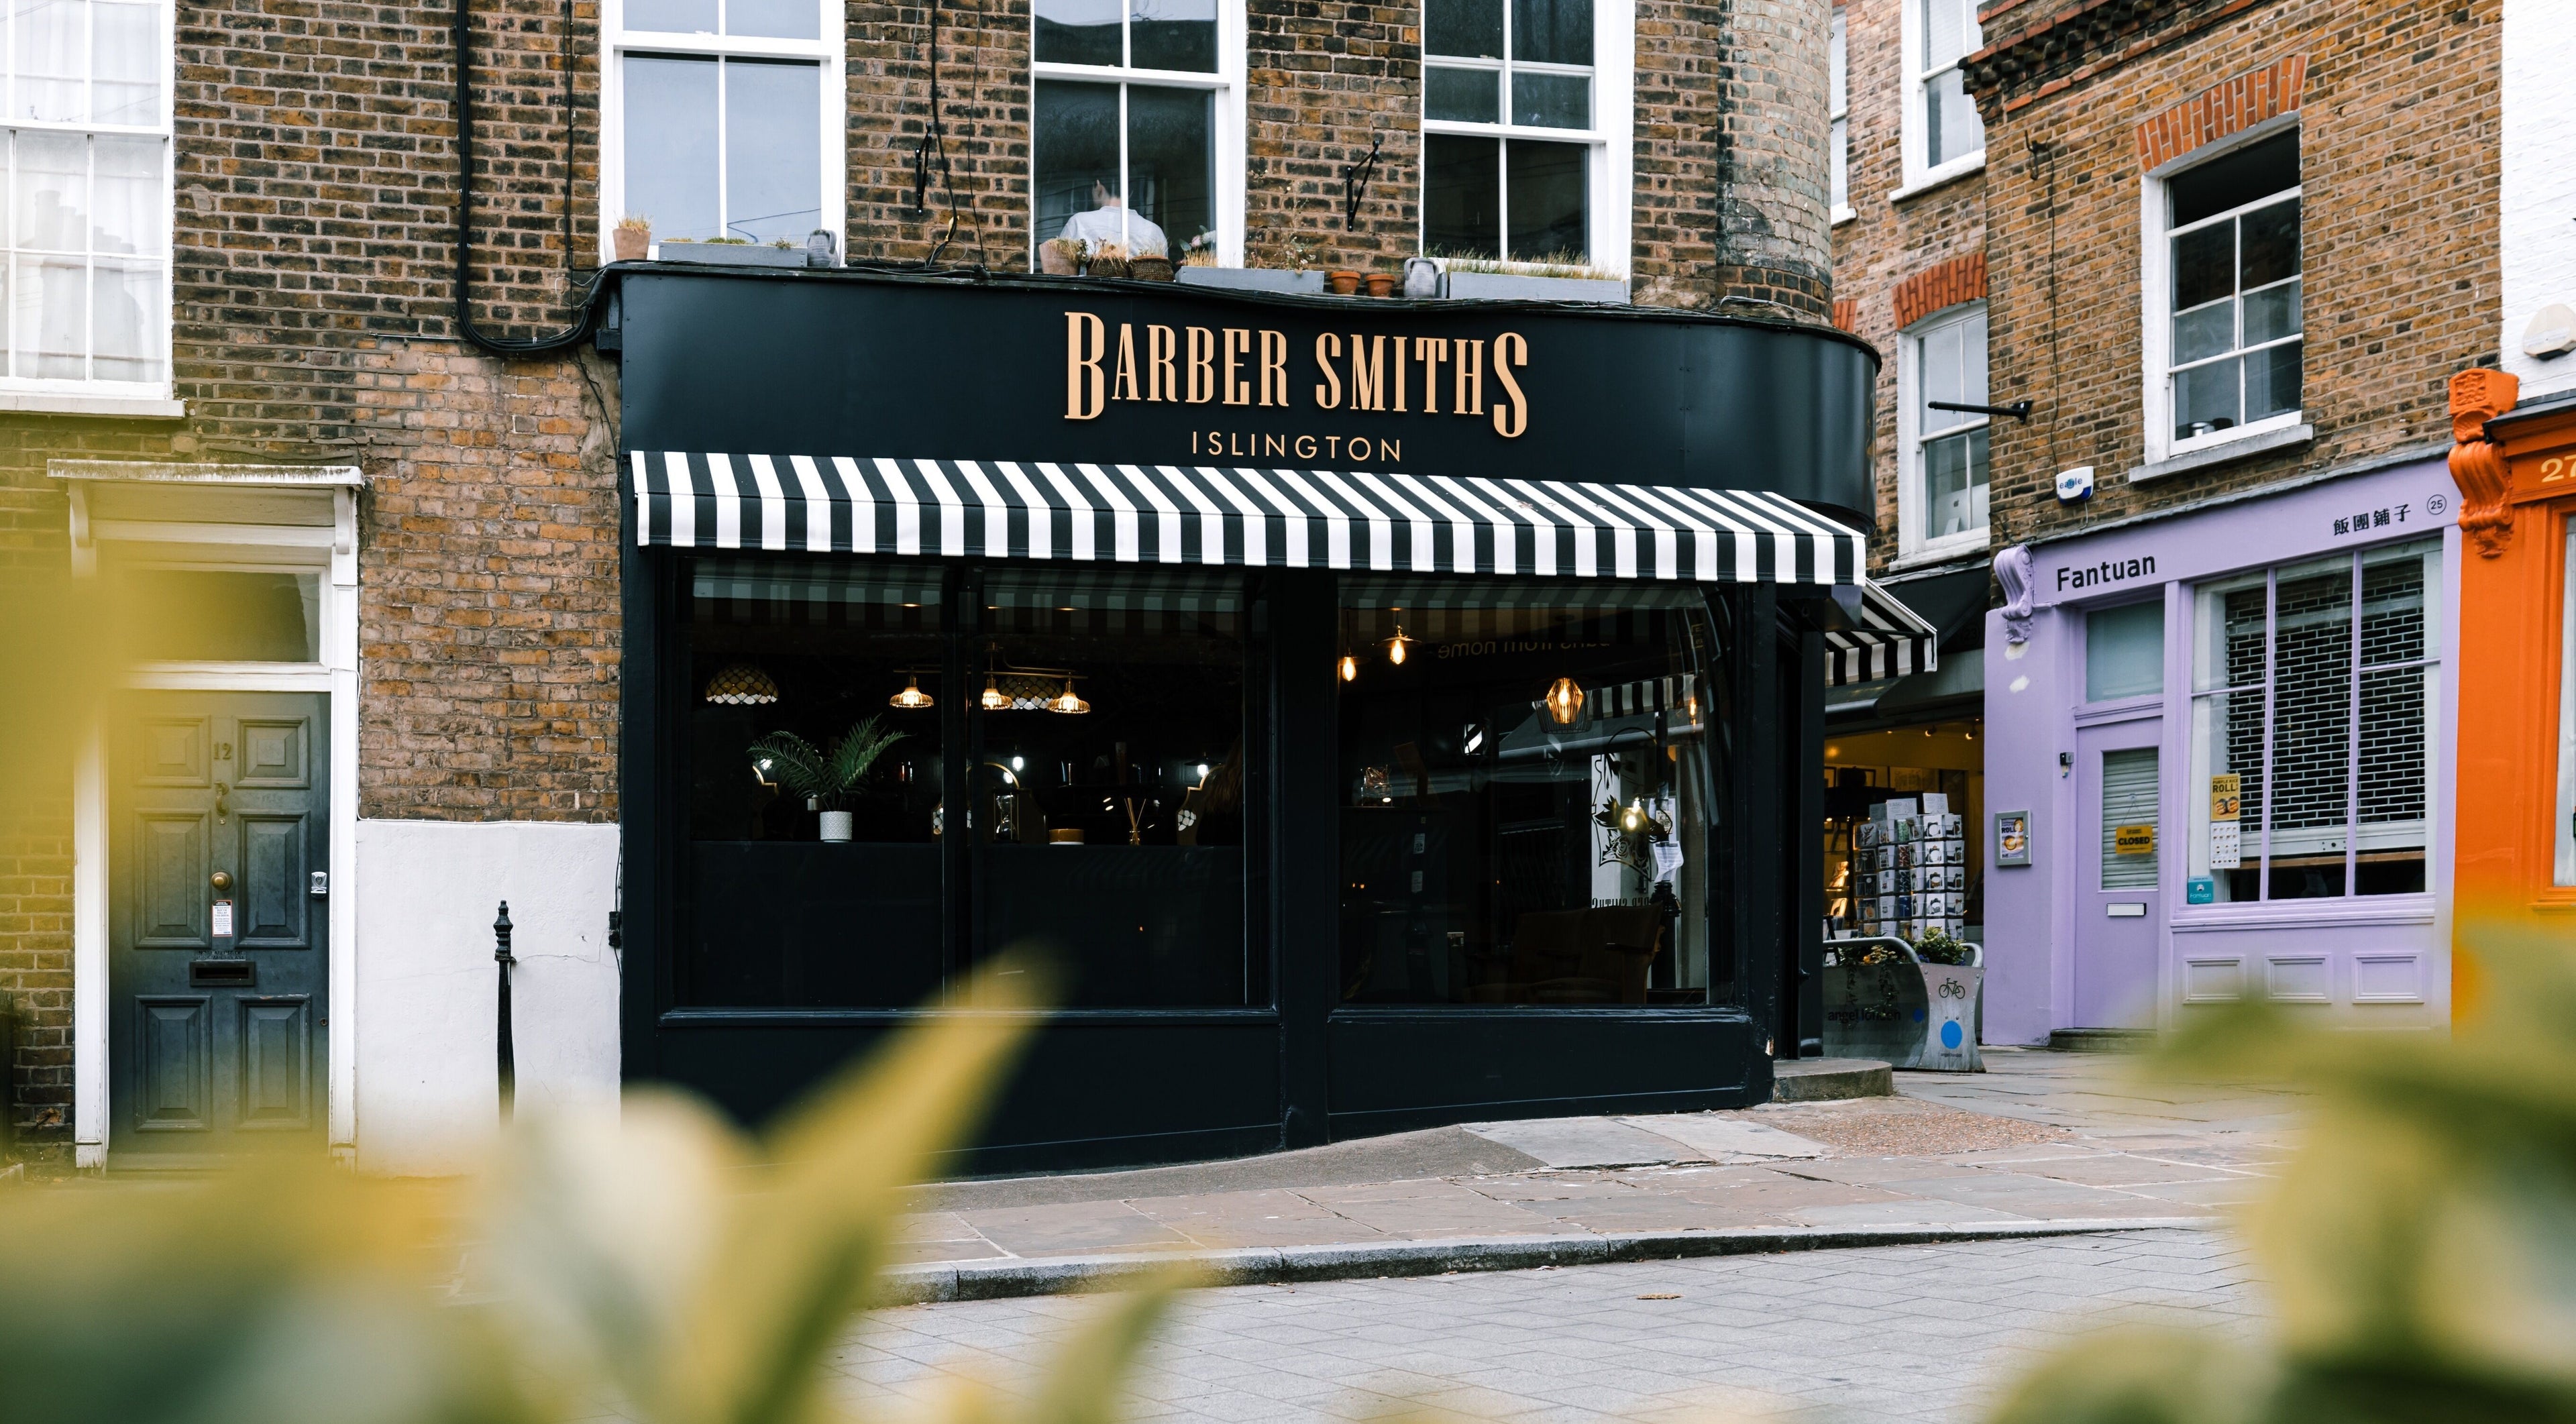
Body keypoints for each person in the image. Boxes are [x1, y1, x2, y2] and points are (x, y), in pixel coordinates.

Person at [1057, 180, 1167, 258]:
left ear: (1099, 187)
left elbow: (1060, 272)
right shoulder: (1154, 232)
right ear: (1130, 193)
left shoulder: (1078, 223)